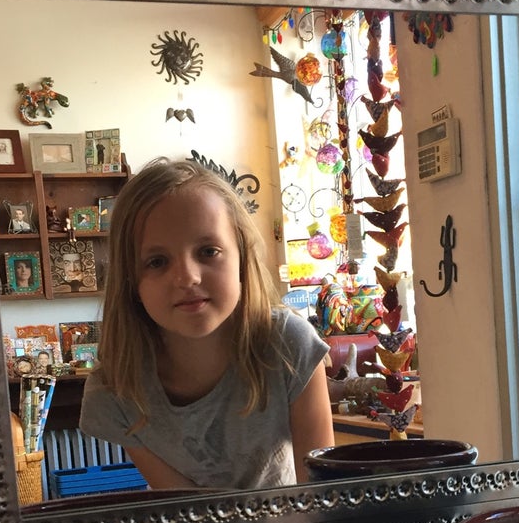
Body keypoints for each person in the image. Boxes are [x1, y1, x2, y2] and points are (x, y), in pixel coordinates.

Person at [79, 157, 334, 491]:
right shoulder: (115, 389)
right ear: (130, 282)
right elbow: (186, 507)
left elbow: (321, 497)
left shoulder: (290, 344)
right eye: (157, 261)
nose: (187, 277)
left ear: (241, 256)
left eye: (208, 251)